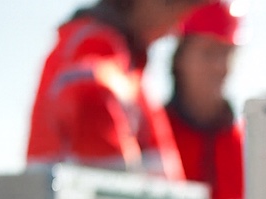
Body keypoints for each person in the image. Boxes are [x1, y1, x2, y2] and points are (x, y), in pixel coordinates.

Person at [26, 0, 204, 178]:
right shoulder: (92, 50)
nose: (175, 29)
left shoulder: (127, 63)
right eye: (174, 10)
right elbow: (109, 192)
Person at [165, 1, 245, 199]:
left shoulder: (246, 146)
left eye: (226, 53)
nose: (220, 67)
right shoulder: (152, 136)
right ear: (179, 58)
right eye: (208, 52)